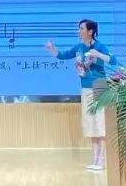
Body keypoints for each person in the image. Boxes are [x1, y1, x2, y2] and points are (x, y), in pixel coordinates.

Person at [45, 18, 113, 171]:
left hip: (99, 86)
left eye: (82, 28)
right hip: (86, 88)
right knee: (90, 123)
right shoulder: (79, 48)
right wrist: (52, 49)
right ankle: (95, 159)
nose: (79, 31)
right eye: (79, 28)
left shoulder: (99, 46)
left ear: (90, 31)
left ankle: (102, 160)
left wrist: (99, 54)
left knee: (99, 123)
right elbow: (63, 55)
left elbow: (112, 60)